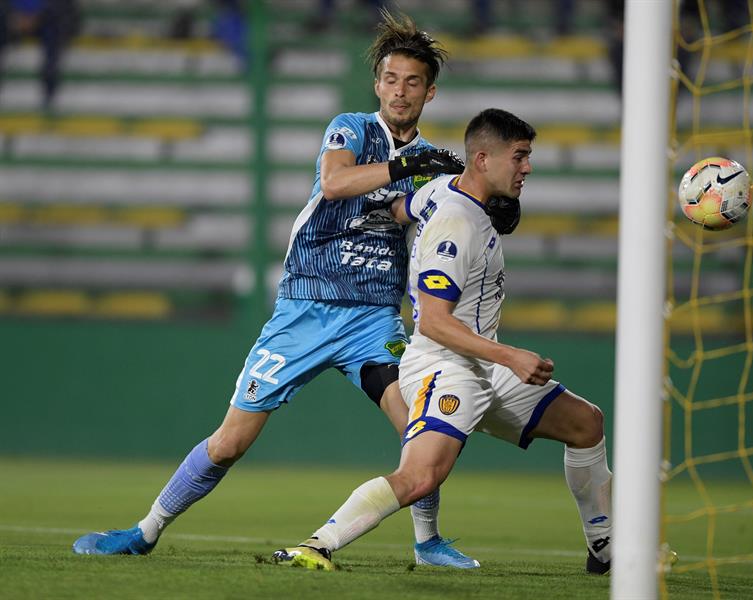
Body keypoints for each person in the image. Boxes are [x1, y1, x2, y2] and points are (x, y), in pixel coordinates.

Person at [71, 10, 481, 570]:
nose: (399, 91)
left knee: (421, 430)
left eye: (412, 82)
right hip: (304, 312)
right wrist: (405, 165)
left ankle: (428, 542)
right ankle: (145, 531)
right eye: (390, 79)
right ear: (377, 83)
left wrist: (463, 193)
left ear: (429, 92)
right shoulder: (353, 129)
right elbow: (336, 183)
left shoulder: (428, 163)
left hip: (373, 321)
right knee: (230, 442)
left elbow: (428, 215)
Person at [271, 108, 613, 575]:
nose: (527, 167)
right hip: (445, 366)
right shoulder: (456, 225)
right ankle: (317, 544)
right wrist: (510, 355)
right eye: (519, 157)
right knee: (420, 476)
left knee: (585, 424)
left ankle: (603, 547)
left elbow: (398, 209)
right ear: (482, 158)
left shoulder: (442, 190)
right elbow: (431, 320)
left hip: (481, 365)